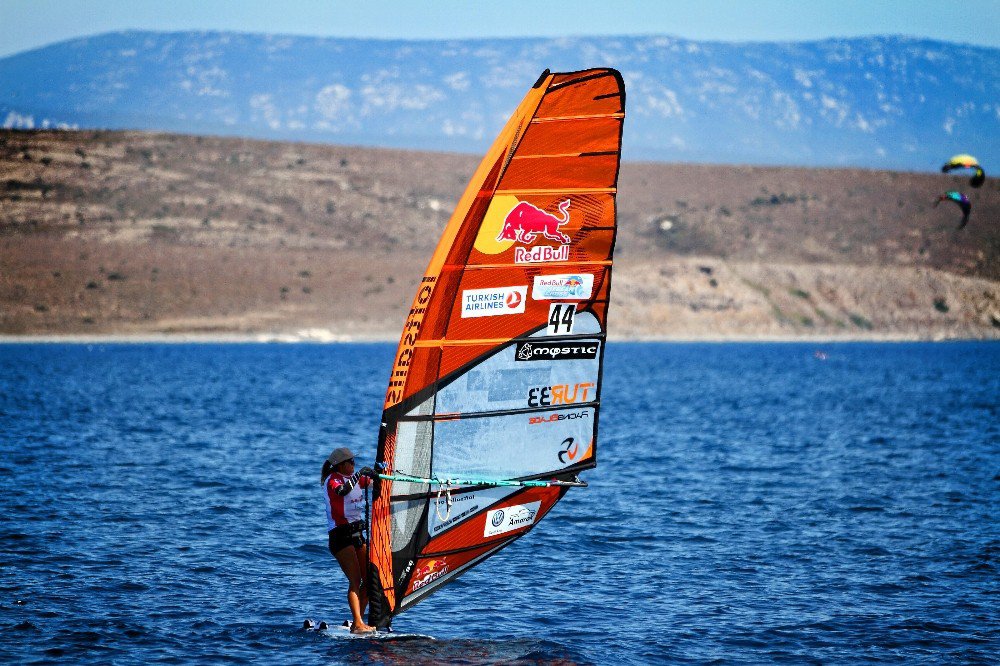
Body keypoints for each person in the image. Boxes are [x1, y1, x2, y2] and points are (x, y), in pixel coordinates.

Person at [322, 446, 376, 634]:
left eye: (355, 462)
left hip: (357, 535)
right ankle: (358, 623)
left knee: (370, 580)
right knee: (355, 580)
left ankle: (357, 622)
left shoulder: (357, 479)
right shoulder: (333, 481)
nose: (354, 464)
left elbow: (377, 483)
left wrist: (380, 473)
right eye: (351, 462)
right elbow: (343, 491)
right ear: (340, 465)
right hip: (340, 536)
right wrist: (361, 472)